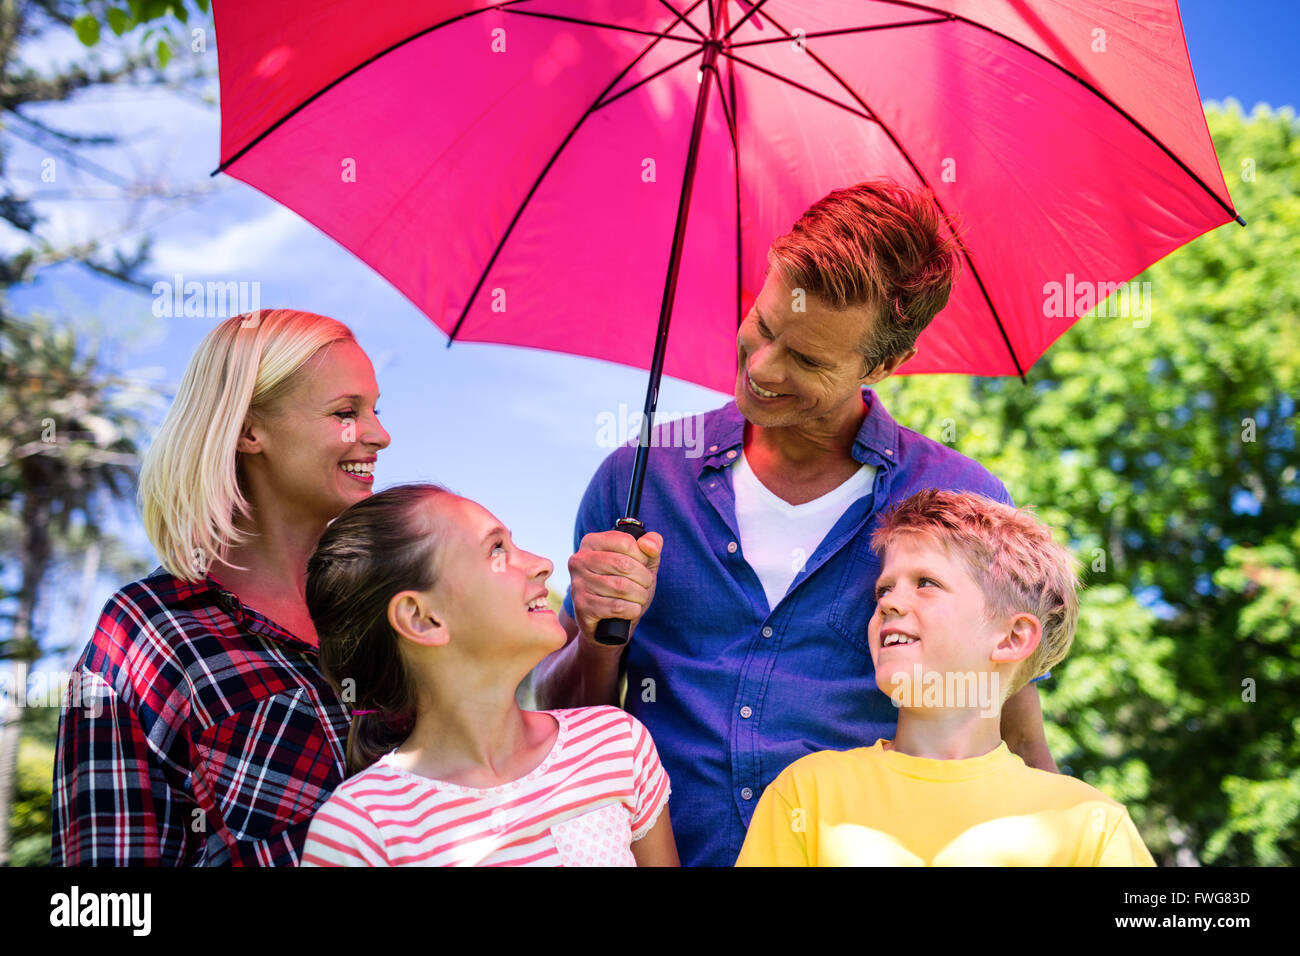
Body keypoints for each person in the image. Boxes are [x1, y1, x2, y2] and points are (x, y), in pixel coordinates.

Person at [534, 179, 1056, 866]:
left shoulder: (961, 500)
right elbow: (563, 719)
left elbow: (1009, 727)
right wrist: (602, 638)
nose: (761, 367)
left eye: (807, 359)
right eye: (764, 324)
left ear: (887, 365)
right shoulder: (639, 480)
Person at [52, 309, 390, 865]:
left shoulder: (389, 608)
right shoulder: (150, 633)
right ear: (250, 429)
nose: (379, 435)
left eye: (375, 410)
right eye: (345, 412)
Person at [736, 489, 1155, 866]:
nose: (890, 603)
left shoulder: (1091, 827)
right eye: (883, 589)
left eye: (926, 583)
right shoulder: (807, 794)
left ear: (1012, 637)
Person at [298, 484, 678, 866]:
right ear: (421, 618)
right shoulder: (357, 831)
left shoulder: (616, 744)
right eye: (497, 550)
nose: (544, 563)